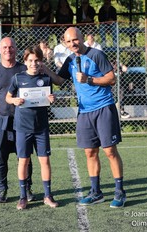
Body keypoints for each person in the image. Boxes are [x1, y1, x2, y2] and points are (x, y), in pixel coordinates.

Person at [42, 27, 126, 208]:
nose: (73, 44)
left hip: (103, 108)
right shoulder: (70, 59)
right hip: (84, 112)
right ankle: (96, 192)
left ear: (82, 38)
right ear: (65, 43)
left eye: (75, 39)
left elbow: (112, 79)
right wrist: (44, 68)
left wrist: (89, 79)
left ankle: (120, 192)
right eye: (69, 41)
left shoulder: (96, 55)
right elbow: (59, 80)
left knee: (110, 151)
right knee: (90, 152)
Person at [0, 37, 35, 203]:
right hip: (0, 122)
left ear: (16, 49)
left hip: (21, 121)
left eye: (11, 47)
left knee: (24, 157)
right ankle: (1, 190)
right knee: (0, 158)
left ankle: (27, 189)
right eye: (5, 47)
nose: (8, 50)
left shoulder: (23, 69)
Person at [5, 45, 58, 210]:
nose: (34, 63)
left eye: (37, 60)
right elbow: (8, 97)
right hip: (22, 127)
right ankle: (22, 197)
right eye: (30, 60)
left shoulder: (46, 79)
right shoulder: (17, 78)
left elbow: (48, 98)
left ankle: (47, 195)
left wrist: (51, 99)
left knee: (45, 161)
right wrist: (14, 101)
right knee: (23, 161)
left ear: (41, 61)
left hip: (41, 127)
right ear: (25, 61)